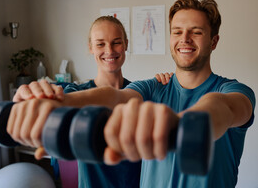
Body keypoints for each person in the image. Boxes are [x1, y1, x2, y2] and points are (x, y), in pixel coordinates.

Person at [8, 0, 255, 188]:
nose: (185, 39)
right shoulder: (152, 87)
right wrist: (60, 101)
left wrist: (186, 124)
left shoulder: (234, 90)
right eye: (178, 31)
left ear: (213, 41)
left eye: (196, 32)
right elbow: (114, 96)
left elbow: (223, 107)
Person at [13, 15, 173, 188]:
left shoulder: (141, 93)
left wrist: (168, 82)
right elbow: (56, 113)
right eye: (100, 44)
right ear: (91, 47)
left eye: (116, 42)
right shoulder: (76, 93)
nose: (109, 50)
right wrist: (34, 102)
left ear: (126, 44)